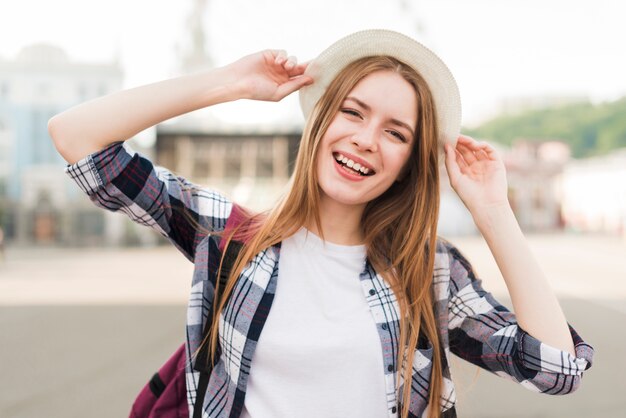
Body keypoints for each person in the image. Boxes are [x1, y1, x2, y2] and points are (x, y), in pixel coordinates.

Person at [49, 29, 593, 418]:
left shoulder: (429, 271)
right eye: (352, 112)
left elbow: (554, 370)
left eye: (396, 133)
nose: (365, 139)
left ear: (409, 162)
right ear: (321, 119)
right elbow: (78, 140)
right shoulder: (233, 237)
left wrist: (494, 212)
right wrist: (230, 83)